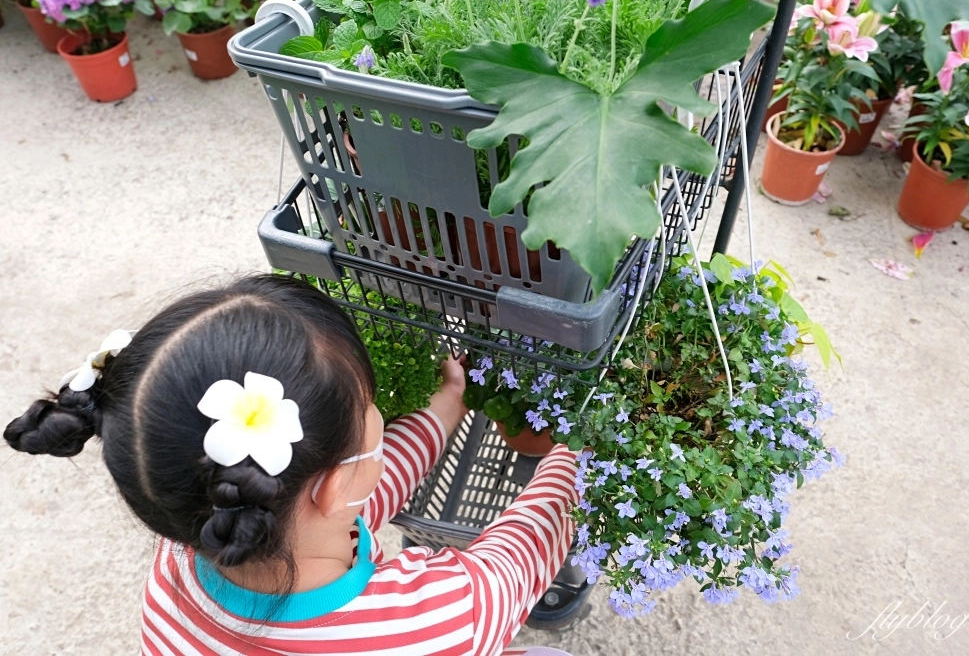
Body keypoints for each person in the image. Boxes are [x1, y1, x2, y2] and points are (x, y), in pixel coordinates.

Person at [4, 274, 579, 655]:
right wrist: (577, 455)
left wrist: (444, 408)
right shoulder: (441, 621)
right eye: (371, 406)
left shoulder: (189, 548)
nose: (378, 411)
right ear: (332, 485)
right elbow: (523, 551)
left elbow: (347, 496)